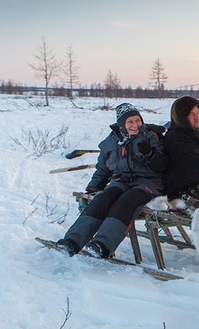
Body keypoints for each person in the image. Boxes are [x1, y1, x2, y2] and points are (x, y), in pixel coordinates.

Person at [56, 103, 167, 259]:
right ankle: (72, 241)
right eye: (130, 122)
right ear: (121, 125)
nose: (135, 125)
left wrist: (150, 154)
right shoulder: (112, 142)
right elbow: (103, 168)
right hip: (121, 181)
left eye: (138, 121)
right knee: (102, 200)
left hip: (147, 183)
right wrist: (94, 186)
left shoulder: (150, 136)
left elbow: (162, 165)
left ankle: (102, 245)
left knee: (126, 202)